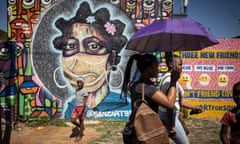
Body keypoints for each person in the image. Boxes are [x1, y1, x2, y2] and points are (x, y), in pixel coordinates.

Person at [121, 53, 180, 138]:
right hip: (143, 133)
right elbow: (169, 103)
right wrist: (173, 81)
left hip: (134, 129)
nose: (158, 69)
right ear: (149, 69)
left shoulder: (136, 85)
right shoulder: (146, 88)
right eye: (155, 66)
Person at [158, 52, 203, 144]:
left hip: (172, 115)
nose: (182, 67)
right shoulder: (168, 81)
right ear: (171, 64)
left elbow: (179, 101)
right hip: (169, 116)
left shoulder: (173, 80)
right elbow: (169, 105)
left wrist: (193, 108)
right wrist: (171, 125)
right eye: (180, 64)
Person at [70, 77, 88, 142]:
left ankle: (80, 135)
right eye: (78, 82)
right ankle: (82, 127)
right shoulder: (76, 90)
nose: (79, 84)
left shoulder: (85, 91)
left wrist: (81, 111)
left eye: (80, 82)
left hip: (82, 108)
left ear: (83, 83)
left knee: (81, 121)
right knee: (72, 120)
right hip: (76, 107)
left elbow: (85, 103)